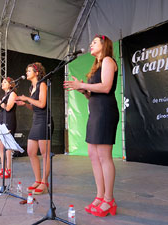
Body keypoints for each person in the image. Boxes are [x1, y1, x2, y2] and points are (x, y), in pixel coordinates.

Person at [63, 34, 119, 217]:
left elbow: (106, 88)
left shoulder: (109, 61)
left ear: (104, 45)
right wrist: (82, 90)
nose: (91, 45)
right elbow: (92, 94)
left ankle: (109, 200)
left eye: (94, 42)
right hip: (95, 112)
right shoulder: (95, 66)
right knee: (93, 155)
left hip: (105, 112)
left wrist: (83, 84)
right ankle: (100, 196)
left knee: (104, 156)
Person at [16, 62, 53, 195]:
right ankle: (37, 180)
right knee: (31, 152)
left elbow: (42, 104)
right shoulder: (32, 88)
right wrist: (25, 104)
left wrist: (26, 98)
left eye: (29, 71)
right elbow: (34, 107)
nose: (27, 73)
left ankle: (44, 182)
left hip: (44, 120)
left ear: (37, 73)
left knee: (45, 154)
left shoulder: (42, 84)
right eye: (27, 71)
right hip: (36, 120)